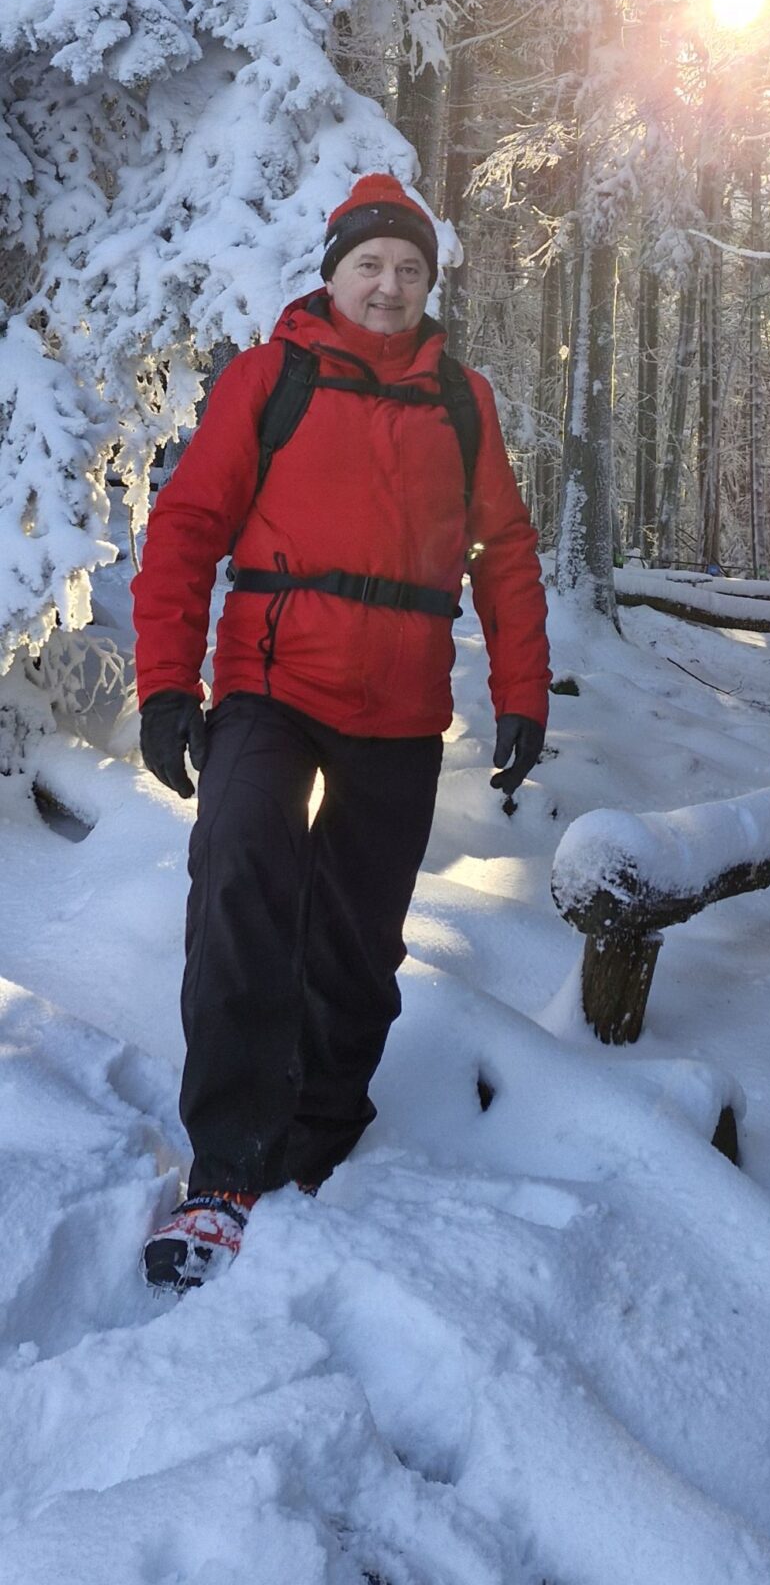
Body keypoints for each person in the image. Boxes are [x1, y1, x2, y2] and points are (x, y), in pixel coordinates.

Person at [132, 173, 549, 1291]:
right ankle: (226, 1165)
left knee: (360, 937)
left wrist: (523, 690)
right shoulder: (271, 378)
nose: (390, 285)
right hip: (269, 686)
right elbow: (187, 525)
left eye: (410, 268)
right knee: (240, 878)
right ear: (333, 274)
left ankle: (315, 1137)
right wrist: (167, 685)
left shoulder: (462, 400)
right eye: (370, 264)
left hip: (401, 708)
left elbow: (504, 551)